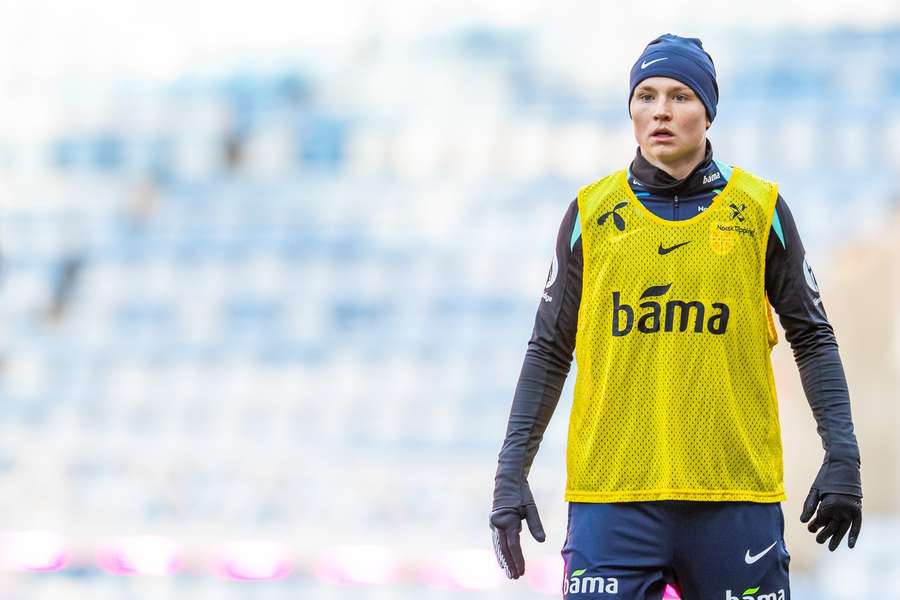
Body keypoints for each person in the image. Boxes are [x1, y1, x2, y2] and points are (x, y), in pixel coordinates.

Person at [490, 34, 862, 599]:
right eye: (646, 95)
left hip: (735, 498)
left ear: (708, 112)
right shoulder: (591, 213)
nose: (661, 110)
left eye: (681, 95)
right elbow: (548, 348)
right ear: (631, 110)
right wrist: (510, 472)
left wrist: (843, 457)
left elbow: (812, 339)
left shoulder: (760, 209)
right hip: (613, 499)